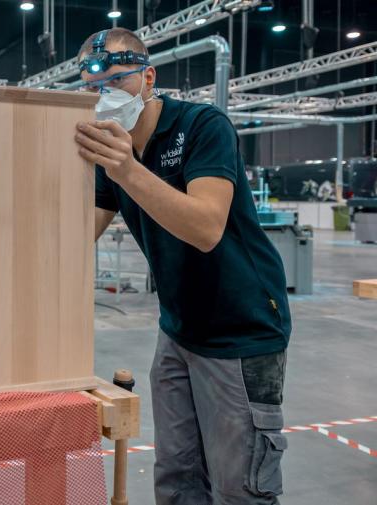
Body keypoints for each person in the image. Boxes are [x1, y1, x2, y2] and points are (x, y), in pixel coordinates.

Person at [73, 28, 291, 505]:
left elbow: (206, 228)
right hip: (177, 329)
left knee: (240, 487)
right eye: (93, 88)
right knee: (177, 476)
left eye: (117, 80)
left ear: (148, 78)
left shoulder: (202, 126)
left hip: (239, 330)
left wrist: (127, 169)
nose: (104, 97)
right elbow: (75, 236)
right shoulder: (114, 155)